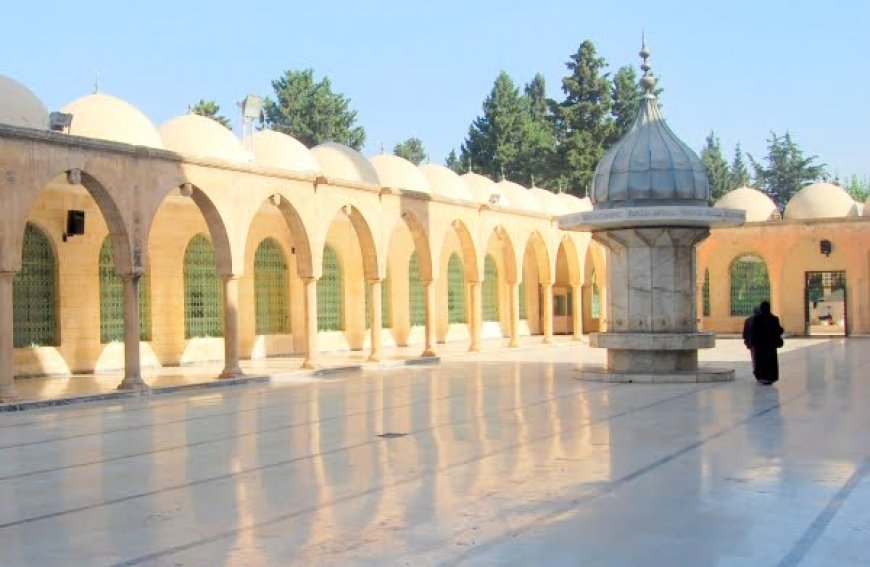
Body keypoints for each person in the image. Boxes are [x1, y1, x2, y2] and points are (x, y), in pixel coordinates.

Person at [748, 300, 784, 385]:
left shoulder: (757, 319)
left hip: (760, 346)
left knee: (761, 361)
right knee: (771, 362)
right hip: (770, 346)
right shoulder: (774, 319)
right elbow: (779, 330)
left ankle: (761, 377)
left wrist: (753, 342)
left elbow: (753, 332)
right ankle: (770, 377)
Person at [742, 306, 760, 374]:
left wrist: (746, 341)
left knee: (754, 357)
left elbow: (745, 333)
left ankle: (756, 369)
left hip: (752, 342)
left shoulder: (748, 320)